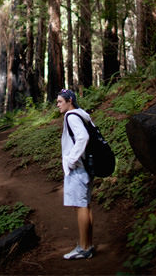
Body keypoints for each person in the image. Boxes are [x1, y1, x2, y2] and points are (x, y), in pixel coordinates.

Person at [56, 88, 95, 260]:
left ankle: (84, 248)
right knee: (85, 206)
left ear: (69, 100)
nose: (57, 105)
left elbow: (83, 137)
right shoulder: (81, 114)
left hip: (79, 169)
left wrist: (71, 160)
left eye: (60, 101)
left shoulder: (71, 117)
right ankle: (88, 244)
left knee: (81, 207)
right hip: (86, 167)